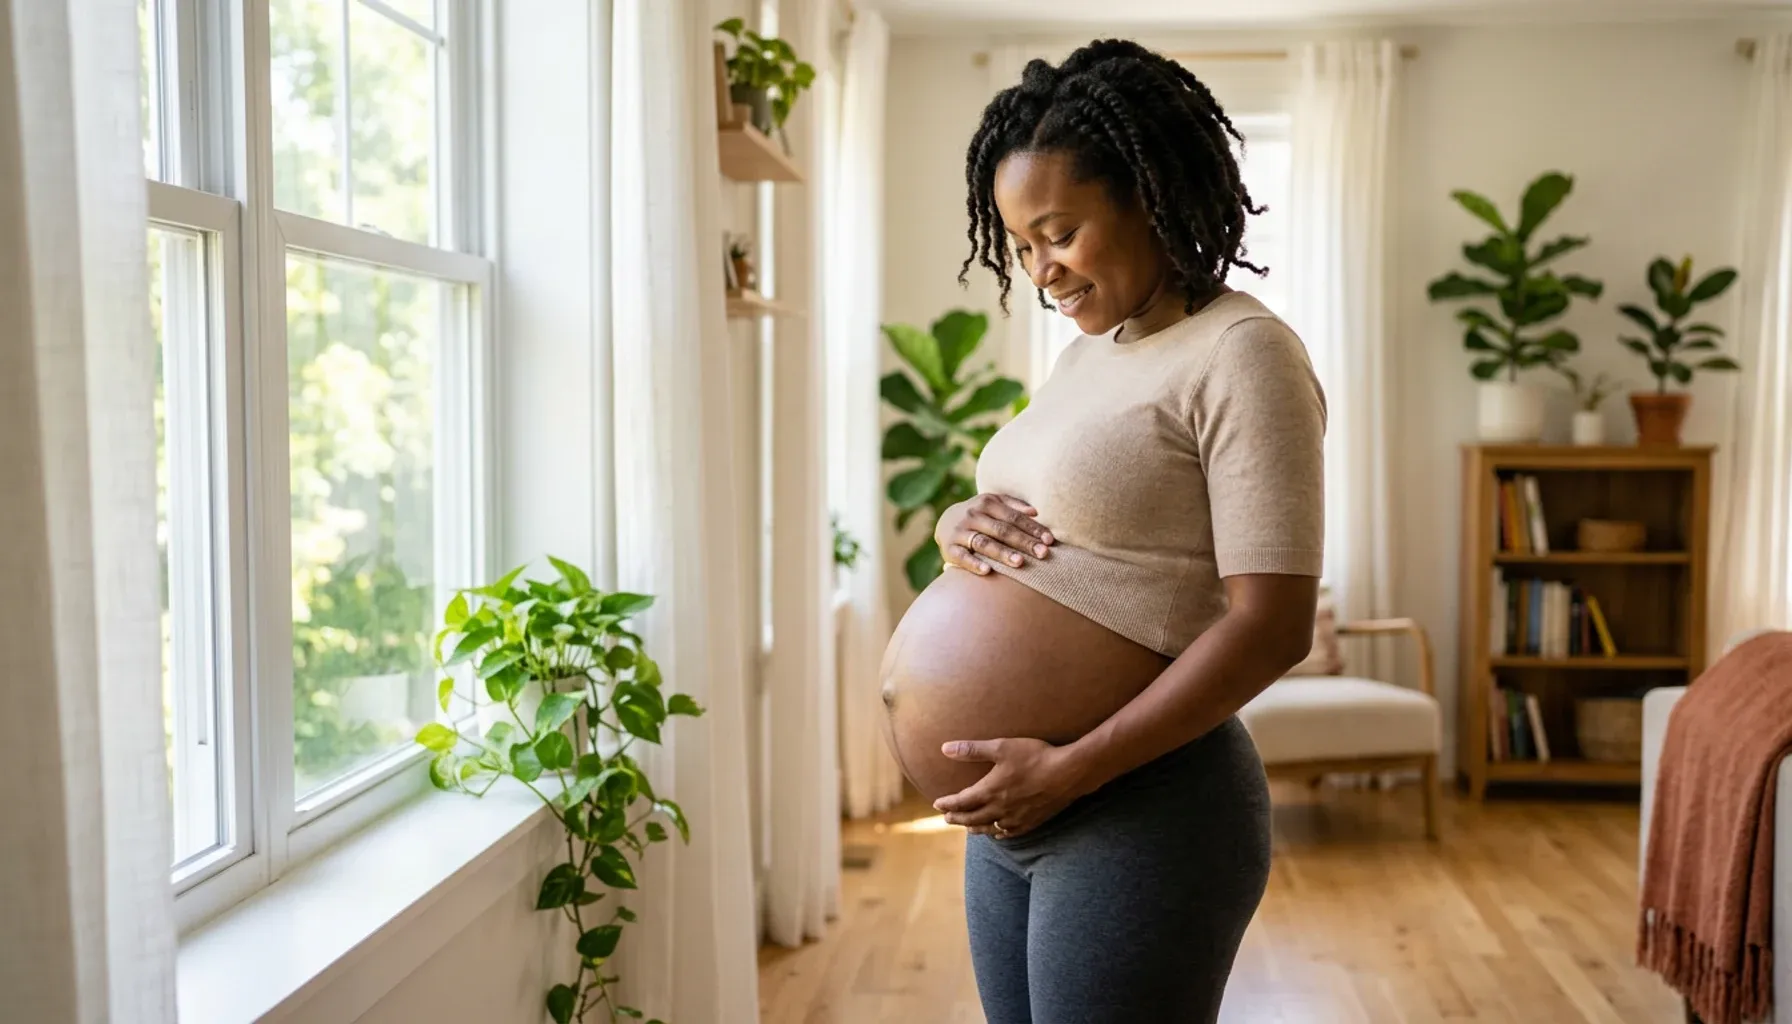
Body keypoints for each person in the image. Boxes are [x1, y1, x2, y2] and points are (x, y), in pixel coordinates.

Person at [876, 39, 1327, 1023]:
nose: (1041, 270)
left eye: (1060, 231)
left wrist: (1069, 768)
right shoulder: (1092, 357)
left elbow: (1271, 624)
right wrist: (964, 522)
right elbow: (1070, 530)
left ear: (1147, 193)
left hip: (1138, 804)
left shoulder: (1244, 354)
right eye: (1021, 243)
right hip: (1016, 809)